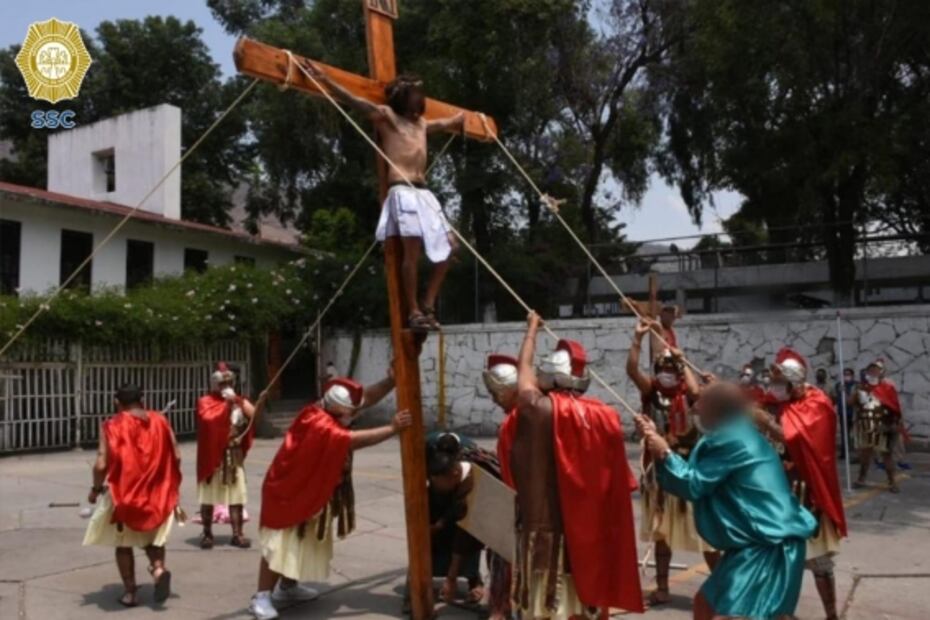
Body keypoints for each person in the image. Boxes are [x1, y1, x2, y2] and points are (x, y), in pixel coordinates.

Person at [302, 59, 465, 332]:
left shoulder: (422, 124)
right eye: (415, 92)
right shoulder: (388, 117)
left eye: (421, 92)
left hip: (424, 193)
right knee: (411, 252)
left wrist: (466, 119)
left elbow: (450, 121)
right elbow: (356, 102)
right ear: (403, 95)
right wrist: (326, 80)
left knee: (452, 247)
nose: (420, 97)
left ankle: (428, 303)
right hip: (402, 190)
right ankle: (413, 311)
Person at [636, 382, 817, 620]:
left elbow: (693, 484)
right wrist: (658, 441)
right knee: (706, 604)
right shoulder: (737, 432)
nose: (694, 409)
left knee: (733, 615)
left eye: (701, 403)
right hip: (757, 542)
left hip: (768, 544)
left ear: (717, 409)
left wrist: (664, 453)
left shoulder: (730, 439)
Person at [511, 312, 643, 618]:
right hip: (590, 535)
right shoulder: (605, 415)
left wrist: (531, 329)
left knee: (548, 608)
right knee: (583, 606)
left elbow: (523, 372)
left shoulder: (536, 409)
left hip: (547, 534)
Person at [248, 373, 406, 620]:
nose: (352, 416)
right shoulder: (318, 422)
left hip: (308, 489)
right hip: (288, 491)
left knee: (299, 541)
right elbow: (350, 440)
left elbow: (366, 398)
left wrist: (391, 381)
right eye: (349, 413)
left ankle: (288, 587)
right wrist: (392, 429)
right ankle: (261, 596)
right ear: (336, 409)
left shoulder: (332, 409)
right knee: (279, 544)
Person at [626, 318, 716, 605]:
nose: (666, 374)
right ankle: (662, 587)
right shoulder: (651, 391)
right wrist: (637, 340)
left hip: (688, 469)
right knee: (661, 533)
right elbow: (632, 370)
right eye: (662, 369)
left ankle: (723, 587)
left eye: (671, 369)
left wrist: (681, 360)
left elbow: (696, 392)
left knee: (705, 533)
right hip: (659, 473)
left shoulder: (688, 395)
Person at [755, 347, 848, 620]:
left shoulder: (817, 403)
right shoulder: (772, 403)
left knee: (819, 561)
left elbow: (796, 439)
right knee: (777, 558)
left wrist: (767, 424)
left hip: (807, 493)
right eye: (773, 382)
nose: (774, 388)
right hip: (776, 493)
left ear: (794, 383)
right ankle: (782, 613)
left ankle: (831, 615)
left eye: (780, 383)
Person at [83, 384, 182, 607]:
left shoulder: (111, 425)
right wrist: (170, 484)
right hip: (157, 493)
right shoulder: (161, 420)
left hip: (124, 493)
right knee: (153, 539)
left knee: (123, 544)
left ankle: (130, 593)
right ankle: (158, 569)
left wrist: (95, 490)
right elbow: (176, 456)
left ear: (117, 402)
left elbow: (101, 464)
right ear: (142, 399)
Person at [425, 432, 508, 618]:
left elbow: (463, 539)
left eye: (439, 484)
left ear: (453, 474)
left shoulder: (472, 490)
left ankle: (501, 609)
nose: (437, 488)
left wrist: (451, 579)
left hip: (510, 523)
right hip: (494, 521)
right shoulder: (468, 464)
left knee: (503, 566)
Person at [196, 362, 256, 549]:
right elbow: (208, 420)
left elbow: (253, 414)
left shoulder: (238, 400)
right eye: (223, 384)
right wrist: (226, 406)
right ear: (215, 384)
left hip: (233, 452)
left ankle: (237, 534)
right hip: (212, 455)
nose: (226, 386)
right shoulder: (205, 401)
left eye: (229, 383)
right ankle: (207, 533)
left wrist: (237, 400)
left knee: (236, 496)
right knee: (208, 497)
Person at [481, 353, 519, 619]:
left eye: (496, 393)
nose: (494, 399)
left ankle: (504, 607)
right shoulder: (514, 419)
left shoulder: (517, 420)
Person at [852, 359, 902, 492]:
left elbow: (895, 408)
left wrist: (892, 424)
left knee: (886, 455)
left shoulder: (888, 388)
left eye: (875, 370)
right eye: (870, 370)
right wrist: (855, 393)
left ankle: (892, 482)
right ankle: (861, 479)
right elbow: (852, 404)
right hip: (866, 426)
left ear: (881, 372)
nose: (872, 373)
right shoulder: (861, 388)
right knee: (865, 455)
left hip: (883, 426)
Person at [833, 368, 857, 457]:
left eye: (848, 374)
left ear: (852, 375)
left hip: (854, 413)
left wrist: (845, 392)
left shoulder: (856, 385)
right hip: (843, 412)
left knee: (855, 433)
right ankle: (844, 452)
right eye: (845, 374)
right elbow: (836, 397)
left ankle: (856, 453)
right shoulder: (839, 385)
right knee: (844, 433)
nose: (846, 376)